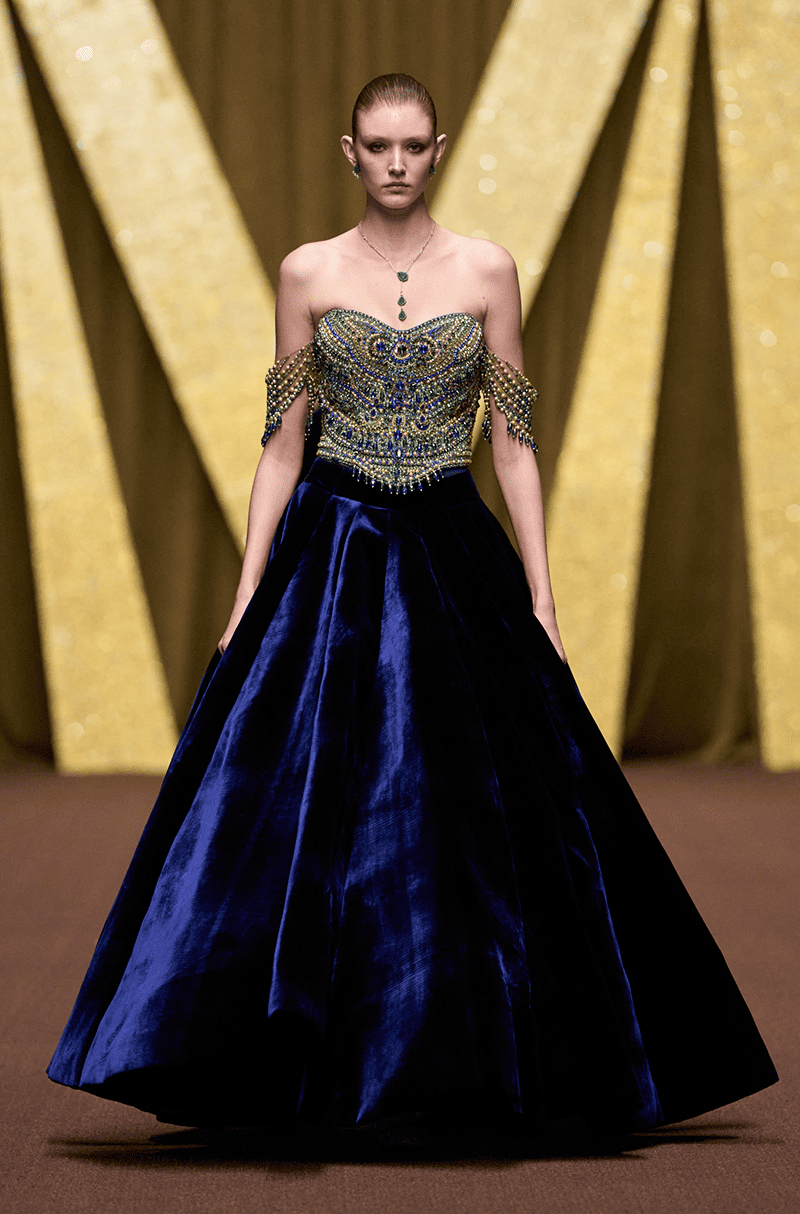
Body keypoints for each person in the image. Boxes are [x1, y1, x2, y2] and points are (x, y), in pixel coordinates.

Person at [48, 74, 777, 1141]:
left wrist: (541, 591)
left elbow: (514, 444)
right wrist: (248, 587)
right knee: (303, 799)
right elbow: (282, 443)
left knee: (477, 799)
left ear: (437, 150)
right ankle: (299, 1061)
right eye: (378, 146)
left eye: (413, 145)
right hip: (330, 549)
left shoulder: (487, 270)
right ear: (350, 152)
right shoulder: (307, 271)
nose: (396, 163)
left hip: (452, 546)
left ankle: (480, 1057)